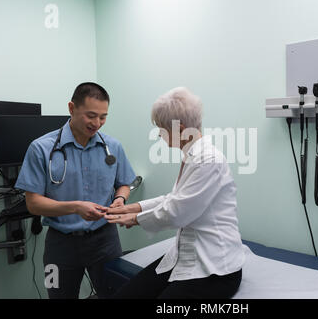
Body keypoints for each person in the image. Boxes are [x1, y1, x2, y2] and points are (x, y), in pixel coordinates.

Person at [105, 87, 245, 299]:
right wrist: (131, 207)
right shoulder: (193, 155)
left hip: (215, 269)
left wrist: (134, 219)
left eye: (162, 129)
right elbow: (173, 199)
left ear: (180, 128)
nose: (160, 134)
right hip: (185, 256)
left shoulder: (208, 160)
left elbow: (178, 212)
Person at [15, 82, 136, 299]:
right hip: (60, 245)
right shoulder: (40, 148)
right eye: (91, 116)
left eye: (103, 117)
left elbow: (124, 183)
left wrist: (120, 198)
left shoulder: (113, 146)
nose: (97, 123)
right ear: (71, 108)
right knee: (57, 294)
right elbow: (33, 204)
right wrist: (75, 207)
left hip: (105, 240)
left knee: (117, 294)